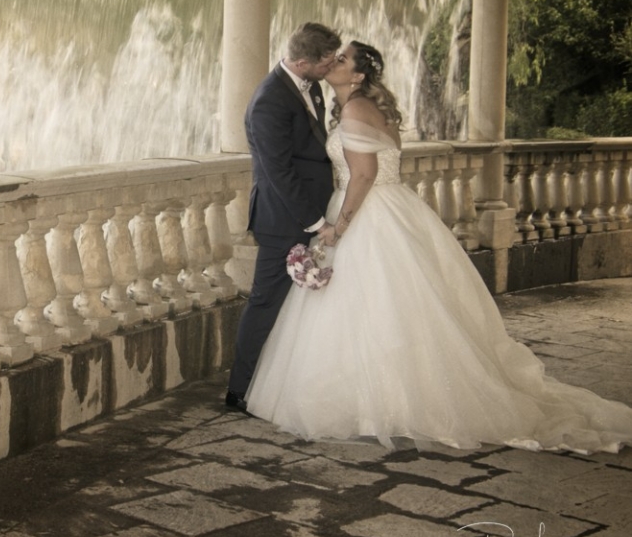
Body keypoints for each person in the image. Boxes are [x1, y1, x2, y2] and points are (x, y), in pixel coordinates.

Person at [244, 41, 632, 453]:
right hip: (386, 209)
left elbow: (363, 175)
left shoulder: (356, 109)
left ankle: (378, 401)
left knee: (376, 304)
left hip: (366, 211)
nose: (333, 62)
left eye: (341, 59)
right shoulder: (353, 106)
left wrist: (338, 229)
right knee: (389, 305)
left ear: (357, 75)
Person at [225, 22, 341, 413]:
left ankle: (286, 381)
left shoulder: (314, 87)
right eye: (326, 63)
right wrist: (317, 223)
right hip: (283, 220)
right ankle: (238, 390)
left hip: (312, 214)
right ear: (304, 61)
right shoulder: (269, 101)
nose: (331, 69)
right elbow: (279, 174)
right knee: (265, 302)